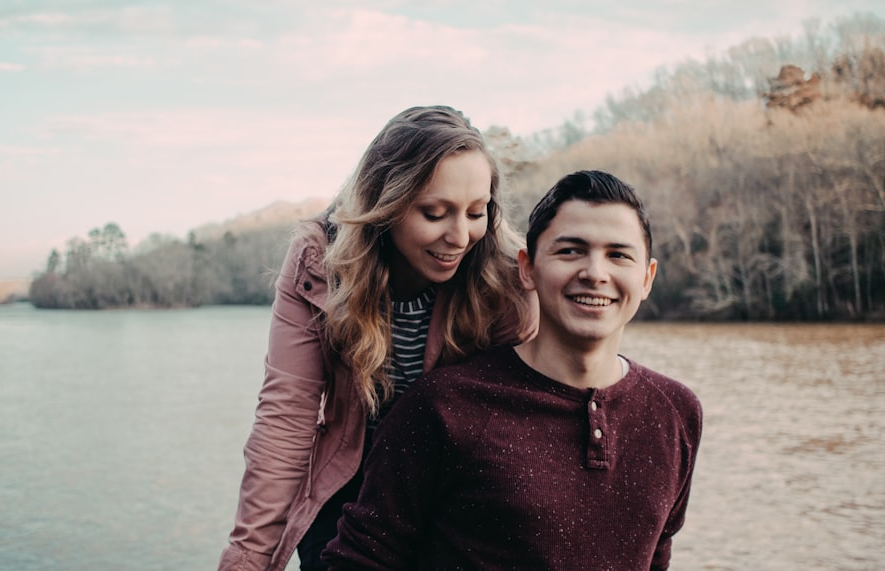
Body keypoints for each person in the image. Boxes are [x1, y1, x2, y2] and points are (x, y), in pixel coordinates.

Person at [323, 170, 703, 571]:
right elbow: (359, 560)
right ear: (527, 269)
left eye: (618, 255)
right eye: (570, 251)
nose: (595, 273)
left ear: (646, 278)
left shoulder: (676, 412)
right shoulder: (442, 408)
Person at [217, 106, 537, 571]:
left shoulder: (505, 275)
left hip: (457, 495)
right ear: (386, 203)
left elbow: (525, 419)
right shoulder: (318, 260)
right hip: (351, 493)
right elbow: (286, 416)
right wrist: (248, 559)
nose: (460, 236)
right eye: (434, 213)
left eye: (476, 212)